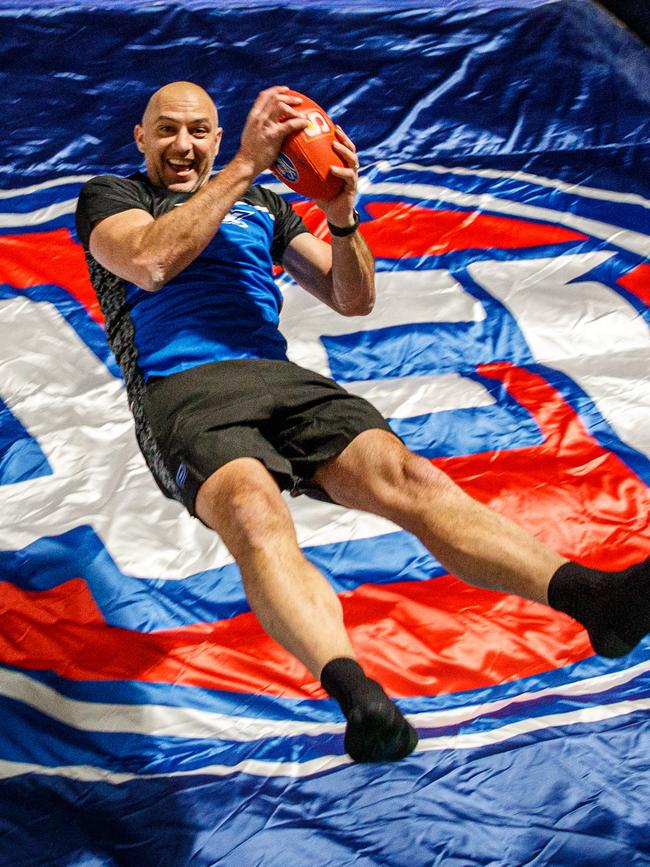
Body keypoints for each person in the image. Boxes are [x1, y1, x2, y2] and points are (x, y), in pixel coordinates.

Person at [75, 80, 650, 763]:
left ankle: (593, 600)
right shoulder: (114, 197)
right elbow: (149, 261)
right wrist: (245, 165)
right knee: (256, 515)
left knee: (408, 475)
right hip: (184, 391)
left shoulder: (262, 204)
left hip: (278, 375)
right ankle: (357, 694)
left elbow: (352, 298)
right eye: (167, 131)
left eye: (199, 131)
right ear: (140, 138)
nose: (183, 145)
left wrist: (341, 217)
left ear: (217, 135)